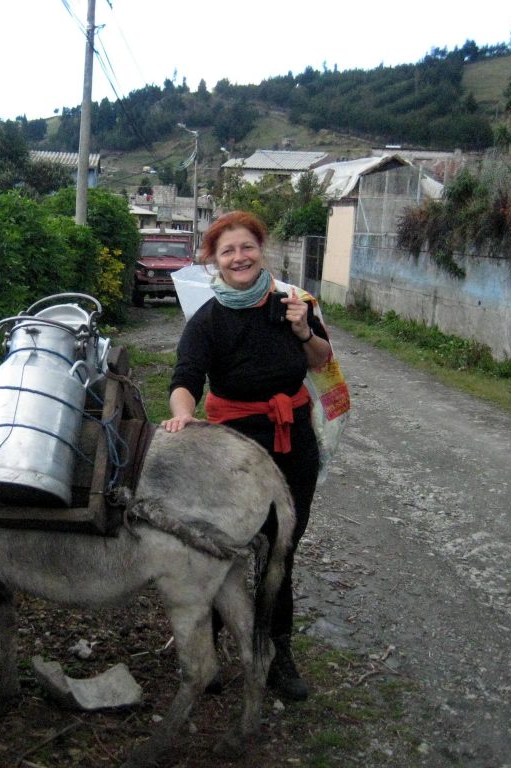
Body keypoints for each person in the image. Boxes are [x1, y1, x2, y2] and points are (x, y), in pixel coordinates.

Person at [162, 210, 332, 701]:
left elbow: (321, 360)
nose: (239, 257)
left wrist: (303, 330)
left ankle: (276, 655)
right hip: (233, 451)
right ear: (213, 261)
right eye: (227, 251)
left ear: (262, 250)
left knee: (282, 549)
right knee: (223, 548)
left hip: (293, 442)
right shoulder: (208, 320)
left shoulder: (293, 304)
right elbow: (185, 379)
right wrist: (182, 416)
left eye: (247, 247)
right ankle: (208, 652)